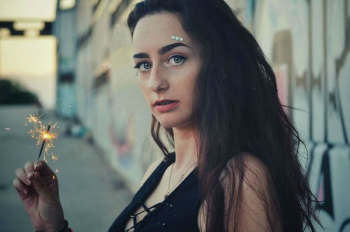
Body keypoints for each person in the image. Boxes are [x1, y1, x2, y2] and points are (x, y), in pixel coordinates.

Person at [13, 0, 322, 231]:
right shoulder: (158, 171)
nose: (155, 82)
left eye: (176, 58)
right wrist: (54, 227)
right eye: (143, 64)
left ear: (220, 64)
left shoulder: (240, 180)